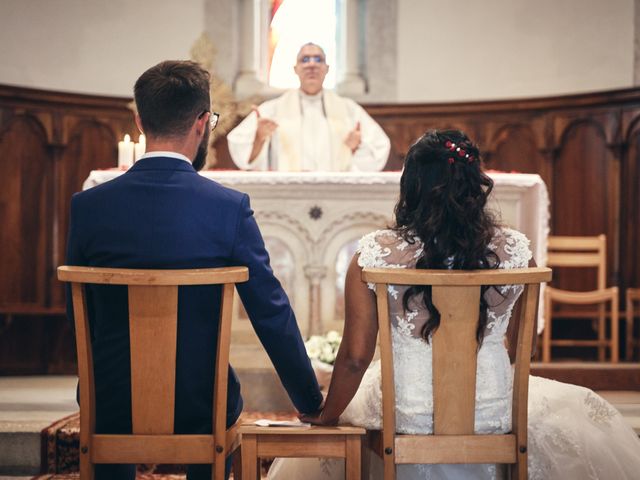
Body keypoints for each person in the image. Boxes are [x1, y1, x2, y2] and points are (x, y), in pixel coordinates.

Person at [268, 130, 640, 479]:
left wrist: (328, 414)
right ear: (474, 187)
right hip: (494, 408)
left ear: (411, 186)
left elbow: (354, 357)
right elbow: (515, 346)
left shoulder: (376, 254)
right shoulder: (516, 254)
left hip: (406, 412)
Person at [64, 60, 323, 480]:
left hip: (108, 401)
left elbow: (75, 317)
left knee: (115, 396)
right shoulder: (228, 208)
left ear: (139, 120)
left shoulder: (88, 207)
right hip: (203, 403)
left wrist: (102, 388)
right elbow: (270, 312)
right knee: (217, 394)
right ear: (203, 123)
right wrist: (310, 401)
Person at [227, 42, 390, 172]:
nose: (311, 64)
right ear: (295, 69)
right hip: (289, 193)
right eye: (304, 59)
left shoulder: (349, 110)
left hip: (335, 192)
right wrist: (259, 138)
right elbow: (242, 153)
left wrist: (357, 148)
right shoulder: (272, 110)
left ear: (327, 69)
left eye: (318, 59)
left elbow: (379, 147)